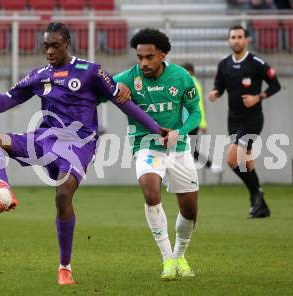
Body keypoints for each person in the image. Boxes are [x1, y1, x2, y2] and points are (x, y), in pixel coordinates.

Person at [0, 22, 165, 285]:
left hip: (78, 144)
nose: (50, 51)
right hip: (45, 139)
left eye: (55, 45)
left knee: (63, 194)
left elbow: (125, 104)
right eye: (46, 45)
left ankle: (64, 267)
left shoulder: (91, 71)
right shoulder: (38, 75)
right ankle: (2, 193)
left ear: (67, 43)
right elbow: (0, 105)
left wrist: (157, 130)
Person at [114, 28, 201, 280]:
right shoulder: (128, 78)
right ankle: (166, 260)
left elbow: (195, 112)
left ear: (162, 54)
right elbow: (99, 89)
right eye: (140, 57)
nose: (143, 63)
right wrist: (115, 88)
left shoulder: (181, 77)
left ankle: (179, 256)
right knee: (151, 193)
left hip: (178, 148)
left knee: (190, 210)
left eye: (149, 57)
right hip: (146, 145)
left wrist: (180, 131)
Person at [208, 25, 281, 218]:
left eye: (240, 37)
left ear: (246, 40)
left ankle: (257, 193)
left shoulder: (256, 63)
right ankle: (260, 205)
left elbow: (276, 85)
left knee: (232, 159)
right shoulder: (224, 64)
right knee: (246, 162)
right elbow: (220, 86)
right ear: (229, 40)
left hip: (252, 118)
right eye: (233, 37)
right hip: (233, 119)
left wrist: (258, 97)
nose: (236, 40)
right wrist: (216, 92)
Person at [181, 63, 222, 174]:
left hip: (189, 122)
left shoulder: (191, 83)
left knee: (186, 150)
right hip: (186, 122)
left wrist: (202, 123)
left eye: (185, 71)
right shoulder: (187, 83)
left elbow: (198, 105)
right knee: (186, 150)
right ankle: (212, 166)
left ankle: (212, 166)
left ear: (191, 72)